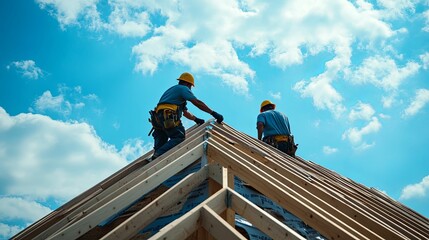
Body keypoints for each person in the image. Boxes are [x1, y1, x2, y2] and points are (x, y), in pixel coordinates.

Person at [147, 72, 223, 162]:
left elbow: (185, 113)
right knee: (179, 137)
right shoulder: (183, 89)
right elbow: (197, 102)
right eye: (190, 86)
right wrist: (213, 113)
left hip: (158, 120)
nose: (190, 89)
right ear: (187, 84)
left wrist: (196, 119)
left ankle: (155, 157)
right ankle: (158, 154)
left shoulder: (173, 91)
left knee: (161, 147)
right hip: (167, 116)